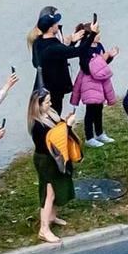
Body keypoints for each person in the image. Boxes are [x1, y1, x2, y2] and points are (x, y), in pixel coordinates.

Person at [28, 90, 74, 243]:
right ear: (38, 105)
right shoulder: (37, 125)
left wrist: (65, 122)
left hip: (54, 158)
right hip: (46, 160)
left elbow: (59, 129)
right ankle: (44, 229)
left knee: (56, 187)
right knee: (49, 194)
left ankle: (52, 217)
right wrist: (67, 126)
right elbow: (53, 141)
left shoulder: (50, 114)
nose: (51, 104)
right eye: (47, 102)